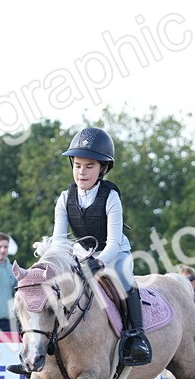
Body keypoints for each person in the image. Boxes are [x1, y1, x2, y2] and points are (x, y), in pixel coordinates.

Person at [51, 126, 150, 366]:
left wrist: (99, 262)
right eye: (77, 166)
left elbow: (114, 242)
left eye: (89, 166)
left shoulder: (111, 197)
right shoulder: (65, 198)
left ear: (103, 168)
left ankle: (136, 336)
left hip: (113, 255)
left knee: (125, 280)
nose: (82, 173)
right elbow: (58, 240)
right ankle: (41, 342)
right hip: (80, 254)